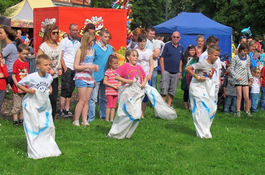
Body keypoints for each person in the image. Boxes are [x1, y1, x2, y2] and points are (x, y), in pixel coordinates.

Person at [17, 54, 61, 159]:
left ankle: (46, 146)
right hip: (32, 104)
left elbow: (48, 84)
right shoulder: (32, 77)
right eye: (46, 65)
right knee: (34, 125)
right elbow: (19, 84)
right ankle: (34, 148)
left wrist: (50, 89)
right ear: (38, 66)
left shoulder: (49, 77)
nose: (49, 67)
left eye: (49, 65)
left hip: (43, 105)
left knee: (47, 125)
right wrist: (28, 90)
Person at [107, 49, 147, 139]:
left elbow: (145, 77)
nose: (136, 57)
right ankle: (116, 133)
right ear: (128, 57)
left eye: (137, 55)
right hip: (128, 93)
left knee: (137, 116)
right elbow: (116, 76)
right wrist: (127, 81)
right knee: (127, 114)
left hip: (137, 94)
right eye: (133, 55)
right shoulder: (125, 66)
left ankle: (127, 134)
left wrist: (143, 83)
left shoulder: (139, 67)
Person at [185, 45, 221, 139]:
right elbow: (187, 68)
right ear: (209, 54)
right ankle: (201, 132)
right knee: (201, 109)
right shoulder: (202, 63)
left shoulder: (215, 64)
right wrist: (197, 77)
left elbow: (210, 76)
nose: (216, 57)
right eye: (215, 55)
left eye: (218, 56)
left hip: (205, 87)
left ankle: (205, 129)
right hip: (196, 87)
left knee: (211, 108)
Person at [73, 32, 98, 126]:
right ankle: (76, 120)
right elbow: (75, 66)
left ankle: (84, 120)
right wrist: (87, 67)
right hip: (81, 77)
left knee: (87, 100)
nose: (92, 42)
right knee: (82, 100)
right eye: (91, 40)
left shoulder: (92, 51)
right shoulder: (80, 51)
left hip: (90, 77)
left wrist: (94, 67)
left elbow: (91, 64)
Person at [37, 24, 62, 119]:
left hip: (54, 77)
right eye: (54, 33)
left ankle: (51, 120)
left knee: (54, 99)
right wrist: (47, 70)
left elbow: (59, 59)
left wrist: (59, 69)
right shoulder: (43, 46)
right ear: (48, 34)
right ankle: (42, 119)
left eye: (57, 32)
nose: (56, 34)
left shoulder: (59, 45)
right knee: (44, 98)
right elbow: (38, 61)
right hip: (44, 77)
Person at [88, 29, 113, 122]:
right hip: (96, 76)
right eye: (105, 37)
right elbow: (91, 61)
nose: (107, 39)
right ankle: (91, 117)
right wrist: (91, 75)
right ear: (100, 37)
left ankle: (103, 115)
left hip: (107, 76)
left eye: (108, 37)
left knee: (104, 98)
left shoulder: (109, 48)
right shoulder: (94, 48)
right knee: (93, 98)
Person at [60, 23, 81, 117]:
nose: (75, 32)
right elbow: (61, 55)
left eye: (76, 30)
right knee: (65, 88)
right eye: (73, 30)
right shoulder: (64, 41)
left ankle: (67, 108)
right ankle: (62, 109)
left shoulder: (78, 42)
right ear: (69, 30)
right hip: (67, 66)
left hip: (75, 67)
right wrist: (64, 67)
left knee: (71, 89)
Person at [160, 31, 183, 106]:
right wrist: (163, 70)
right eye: (174, 37)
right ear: (171, 37)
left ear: (179, 38)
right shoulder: (166, 45)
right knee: (164, 89)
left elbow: (180, 60)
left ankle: (169, 105)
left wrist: (180, 72)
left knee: (172, 91)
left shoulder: (181, 47)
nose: (175, 38)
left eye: (177, 37)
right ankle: (163, 106)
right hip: (166, 70)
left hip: (176, 72)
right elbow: (162, 58)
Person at [230, 43, 253, 117]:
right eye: (244, 51)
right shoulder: (236, 58)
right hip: (238, 79)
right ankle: (238, 111)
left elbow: (248, 69)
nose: (245, 52)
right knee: (239, 96)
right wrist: (236, 77)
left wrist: (250, 77)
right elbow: (231, 69)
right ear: (240, 50)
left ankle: (247, 111)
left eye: (246, 51)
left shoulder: (248, 57)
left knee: (246, 96)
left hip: (245, 79)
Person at [11, 44, 29, 125]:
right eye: (23, 54)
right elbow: (13, 76)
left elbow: (27, 75)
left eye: (26, 54)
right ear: (19, 53)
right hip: (18, 88)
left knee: (23, 104)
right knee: (17, 105)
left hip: (25, 87)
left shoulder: (26, 63)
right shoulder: (17, 63)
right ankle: (15, 120)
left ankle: (22, 118)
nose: (25, 55)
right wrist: (17, 85)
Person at [199, 36, 221, 101]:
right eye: (212, 46)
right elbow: (200, 68)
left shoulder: (217, 57)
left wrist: (219, 81)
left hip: (215, 81)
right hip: (207, 81)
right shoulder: (203, 56)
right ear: (208, 45)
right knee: (207, 99)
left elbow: (218, 70)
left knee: (214, 99)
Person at [136, 34, 153, 118]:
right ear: (138, 42)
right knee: (137, 94)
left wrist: (150, 74)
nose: (142, 43)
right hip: (138, 76)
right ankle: (137, 111)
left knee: (146, 94)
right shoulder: (136, 51)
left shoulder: (149, 52)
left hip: (146, 75)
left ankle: (143, 112)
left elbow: (151, 64)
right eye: (140, 42)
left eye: (143, 41)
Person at [180, 44, 198, 109]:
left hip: (192, 76)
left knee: (192, 90)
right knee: (186, 90)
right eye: (191, 50)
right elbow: (181, 65)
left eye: (194, 50)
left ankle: (191, 104)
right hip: (185, 76)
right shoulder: (185, 58)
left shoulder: (197, 59)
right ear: (188, 51)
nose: (192, 52)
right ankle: (185, 105)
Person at [103, 55, 119, 122]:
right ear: (110, 63)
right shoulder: (108, 71)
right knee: (109, 105)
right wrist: (113, 86)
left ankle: (112, 119)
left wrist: (119, 85)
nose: (116, 65)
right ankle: (107, 119)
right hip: (110, 91)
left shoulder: (117, 72)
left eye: (117, 63)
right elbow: (105, 81)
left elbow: (119, 80)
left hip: (116, 91)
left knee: (114, 106)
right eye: (114, 63)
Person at [0, 53, 8, 124]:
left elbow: (6, 75)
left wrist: (2, 66)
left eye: (1, 57)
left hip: (2, 88)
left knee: (0, 104)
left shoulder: (3, 66)